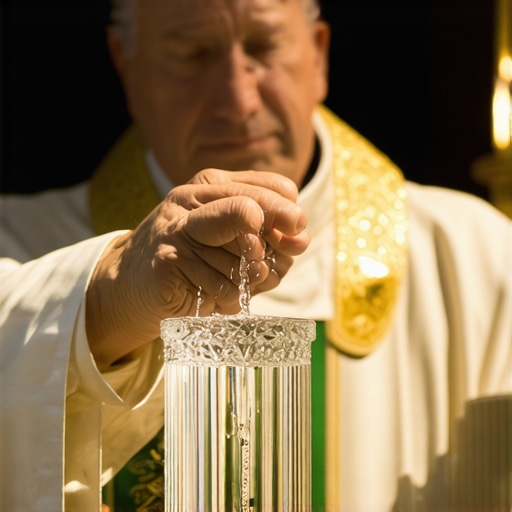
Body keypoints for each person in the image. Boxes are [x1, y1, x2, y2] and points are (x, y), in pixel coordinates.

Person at [1, 0, 511, 510]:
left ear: (317, 55)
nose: (237, 99)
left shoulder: (479, 259)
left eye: (265, 48)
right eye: (192, 54)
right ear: (126, 64)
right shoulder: (19, 243)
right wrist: (109, 294)